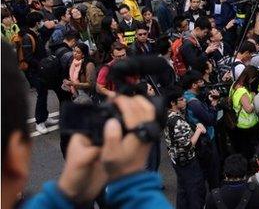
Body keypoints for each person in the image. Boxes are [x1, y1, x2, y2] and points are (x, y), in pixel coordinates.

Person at [3, 40, 172, 209]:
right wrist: (129, 180)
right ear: (17, 152)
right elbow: (98, 86)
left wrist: (70, 189)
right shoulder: (105, 71)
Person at [164, 87, 206, 209]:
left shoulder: (167, 115)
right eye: (181, 99)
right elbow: (188, 145)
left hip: (176, 159)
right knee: (194, 190)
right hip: (187, 161)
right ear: (173, 103)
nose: (184, 101)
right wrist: (198, 130)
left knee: (183, 189)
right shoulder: (177, 122)